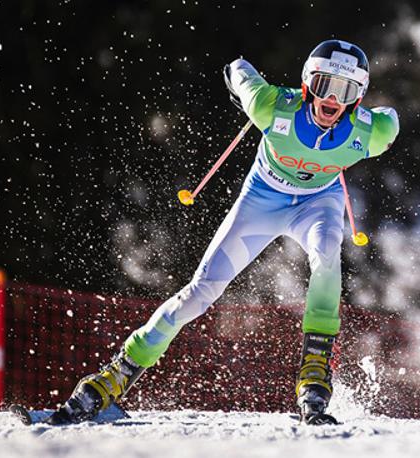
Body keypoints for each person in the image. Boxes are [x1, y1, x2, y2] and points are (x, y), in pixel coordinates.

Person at [49, 39, 399, 425]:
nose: (331, 100)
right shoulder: (270, 106)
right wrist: (237, 76)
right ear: (306, 84)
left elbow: (390, 119)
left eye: (345, 91)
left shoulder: (371, 133)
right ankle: (113, 378)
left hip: (319, 204)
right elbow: (239, 69)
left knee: (327, 257)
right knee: (201, 292)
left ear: (357, 98)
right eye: (323, 85)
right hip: (261, 202)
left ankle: (314, 373)